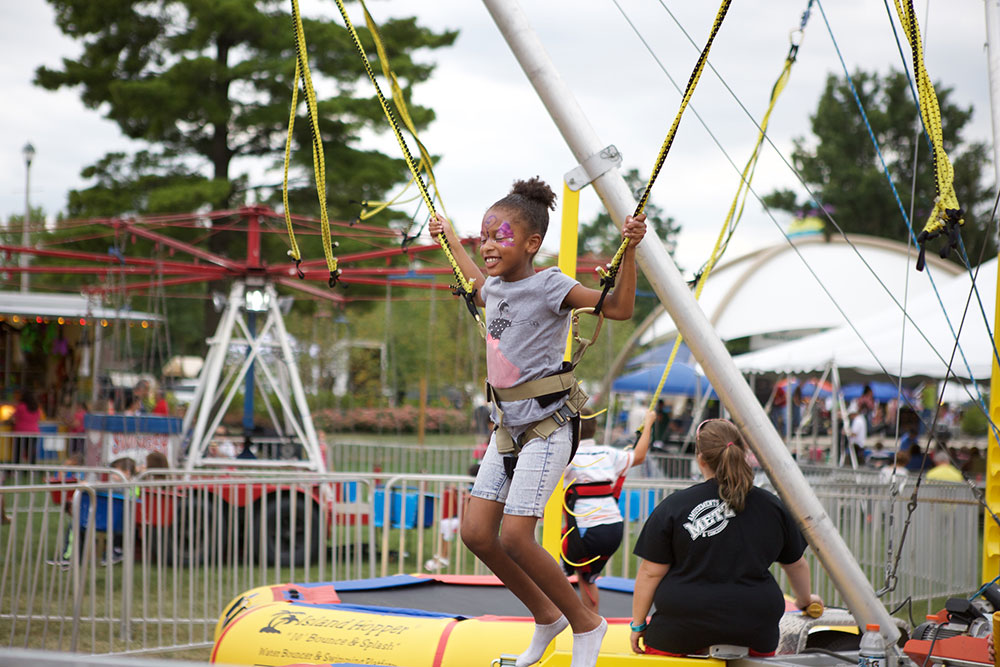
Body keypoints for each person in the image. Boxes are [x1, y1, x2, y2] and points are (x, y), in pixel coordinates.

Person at [429, 176, 646, 667]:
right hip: (507, 430)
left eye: (498, 237)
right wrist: (449, 239)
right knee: (477, 534)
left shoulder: (549, 284)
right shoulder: (497, 288)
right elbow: (477, 285)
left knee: (515, 536)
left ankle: (587, 625)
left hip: (548, 426)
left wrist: (629, 252)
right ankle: (546, 617)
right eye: (482, 237)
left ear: (532, 243)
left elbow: (619, 307)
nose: (486, 245)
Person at [630, 418, 821, 656]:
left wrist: (638, 624)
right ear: (743, 453)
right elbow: (796, 564)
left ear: (700, 459)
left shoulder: (674, 506)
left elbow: (650, 572)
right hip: (755, 627)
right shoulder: (772, 506)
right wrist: (805, 599)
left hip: (682, 628)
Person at [562, 410, 654, 612]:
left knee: (553, 570)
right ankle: (591, 621)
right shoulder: (608, 453)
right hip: (613, 529)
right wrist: (648, 424)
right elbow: (639, 456)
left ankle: (574, 620)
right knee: (587, 578)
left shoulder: (567, 457)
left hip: (587, 531)